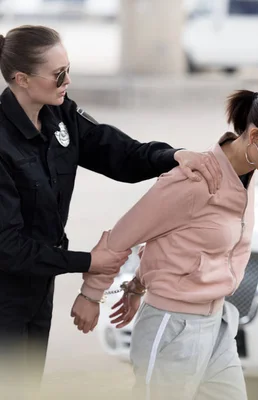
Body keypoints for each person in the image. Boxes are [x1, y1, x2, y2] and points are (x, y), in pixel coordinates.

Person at [0, 25, 223, 397]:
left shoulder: (60, 115)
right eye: (59, 74)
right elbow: (6, 245)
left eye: (69, 69)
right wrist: (88, 262)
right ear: (21, 79)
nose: (68, 80)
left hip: (37, 286)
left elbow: (120, 155)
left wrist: (174, 155)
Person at [71, 84, 258, 400]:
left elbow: (180, 239)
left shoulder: (248, 177)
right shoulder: (194, 181)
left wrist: (138, 285)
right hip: (172, 327)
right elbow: (123, 236)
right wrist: (92, 294)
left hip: (217, 323)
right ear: (256, 137)